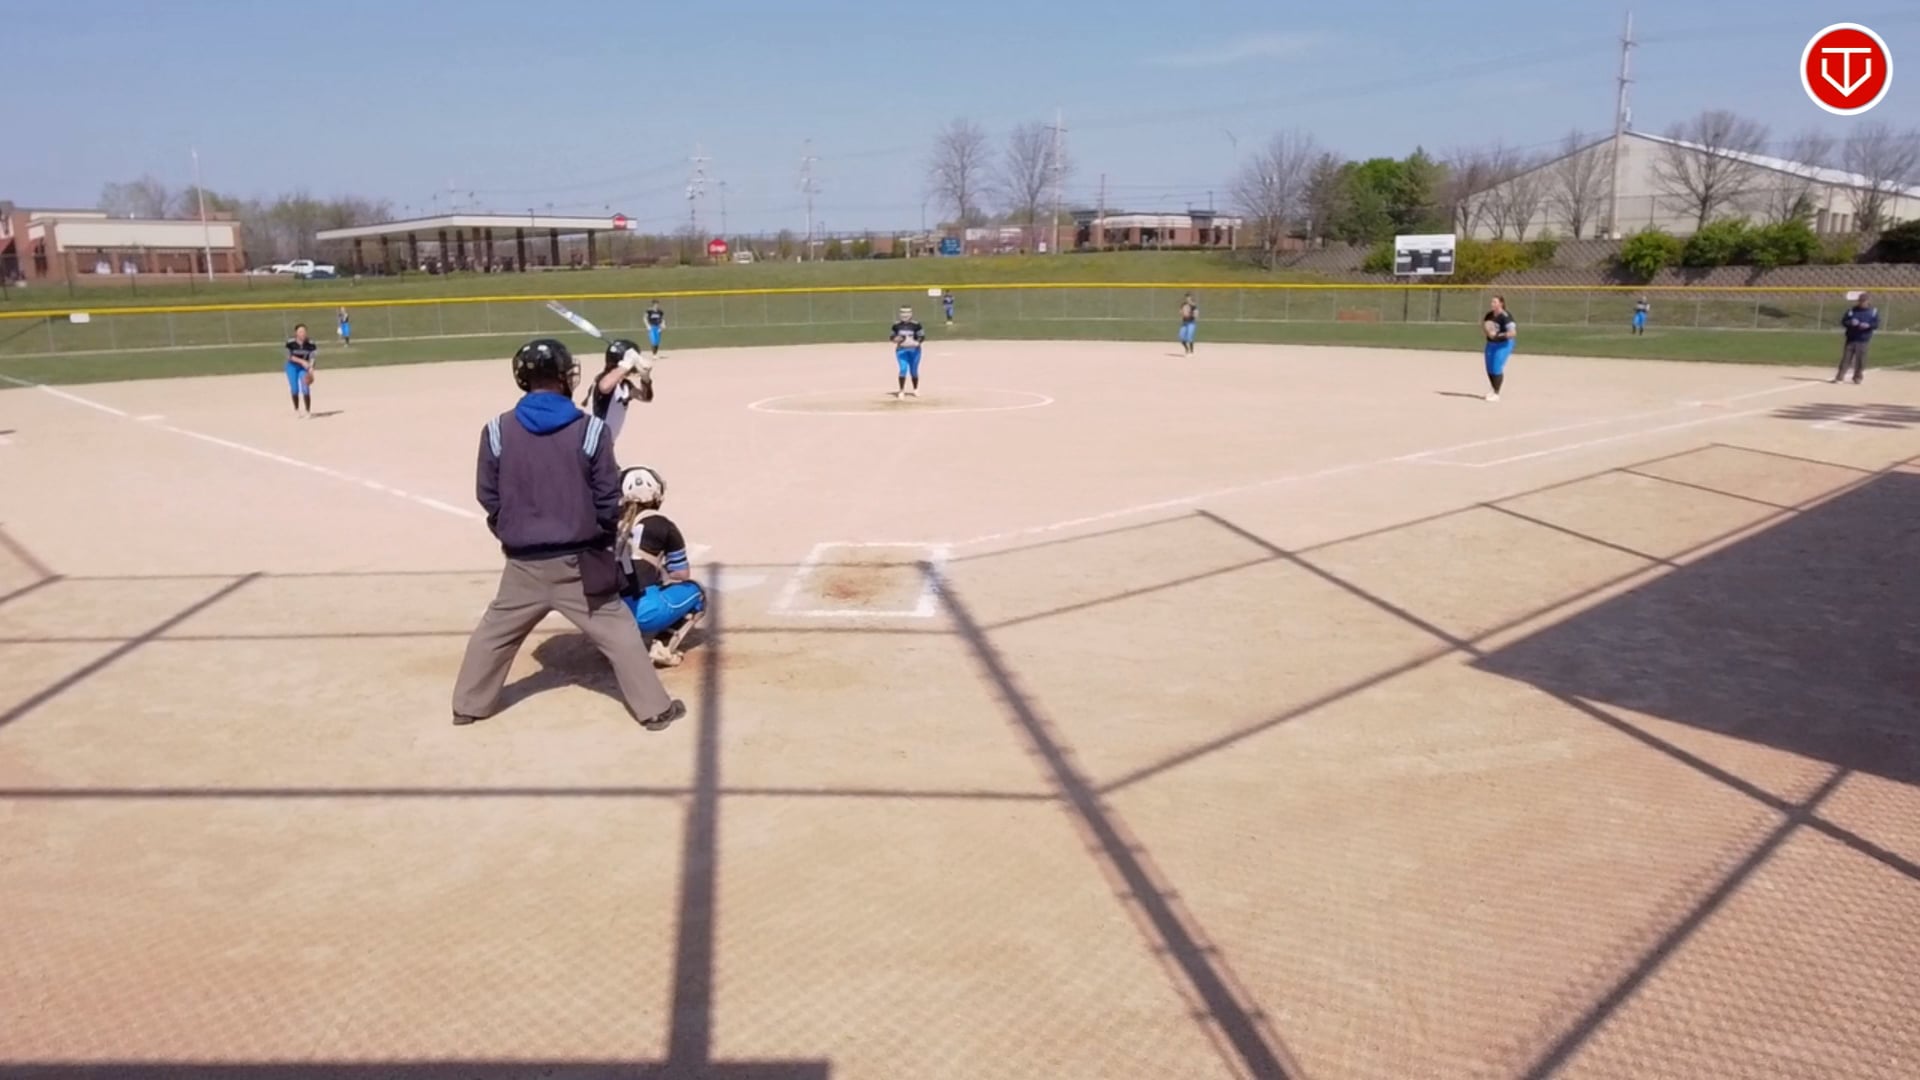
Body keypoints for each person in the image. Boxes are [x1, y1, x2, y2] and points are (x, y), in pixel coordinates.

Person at [450, 338, 685, 732]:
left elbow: (487, 494)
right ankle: (654, 710)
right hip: (580, 561)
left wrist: (509, 528)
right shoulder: (591, 429)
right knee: (618, 630)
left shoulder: (495, 430)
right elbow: (607, 496)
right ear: (564, 377)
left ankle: (468, 705)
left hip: (522, 562)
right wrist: (599, 536)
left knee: (495, 632)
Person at [614, 465, 706, 667]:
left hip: (604, 614)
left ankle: (613, 647)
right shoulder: (663, 525)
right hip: (644, 611)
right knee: (697, 592)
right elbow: (680, 573)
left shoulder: (608, 523)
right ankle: (662, 645)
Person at [582, 338, 655, 448]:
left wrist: (646, 379)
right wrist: (625, 366)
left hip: (604, 445)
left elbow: (645, 397)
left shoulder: (624, 385)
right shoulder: (604, 378)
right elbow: (604, 387)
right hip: (592, 443)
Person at [1834, 292, 1879, 385]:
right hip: (1851, 338)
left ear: (1868, 301)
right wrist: (1851, 322)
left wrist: (1868, 325)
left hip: (1863, 339)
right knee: (1846, 359)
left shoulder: (1873, 312)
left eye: (1864, 301)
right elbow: (1844, 321)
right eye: (1860, 301)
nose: (1862, 303)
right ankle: (1840, 377)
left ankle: (1857, 378)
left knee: (1860, 360)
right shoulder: (1851, 311)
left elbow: (1876, 324)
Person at [1481, 295, 1517, 402]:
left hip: (1504, 344)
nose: (1492, 304)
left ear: (1501, 303)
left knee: (1496, 366)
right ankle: (1493, 389)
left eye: (1495, 302)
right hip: (1491, 344)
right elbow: (1485, 326)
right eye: (1492, 302)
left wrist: (1497, 335)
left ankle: (1496, 393)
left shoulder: (1505, 316)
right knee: (1489, 367)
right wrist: (1488, 332)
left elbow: (1513, 333)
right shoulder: (1489, 315)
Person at [890, 305, 926, 399]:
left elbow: (922, 336)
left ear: (911, 314)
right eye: (903, 313)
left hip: (915, 351)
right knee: (903, 369)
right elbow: (892, 336)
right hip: (901, 350)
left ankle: (915, 389)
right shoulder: (896, 325)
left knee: (914, 370)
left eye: (907, 313)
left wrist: (917, 342)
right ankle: (901, 390)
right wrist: (895, 339)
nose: (905, 315)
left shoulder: (916, 325)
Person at [284, 324, 317, 418]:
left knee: (305, 388)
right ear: (296, 333)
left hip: (304, 368)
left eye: (304, 331)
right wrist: (302, 361)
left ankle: (308, 411)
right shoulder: (290, 343)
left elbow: (312, 357)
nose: (302, 333)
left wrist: (311, 368)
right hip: (292, 367)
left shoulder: (311, 344)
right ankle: (296, 409)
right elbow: (289, 356)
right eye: (300, 331)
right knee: (295, 388)